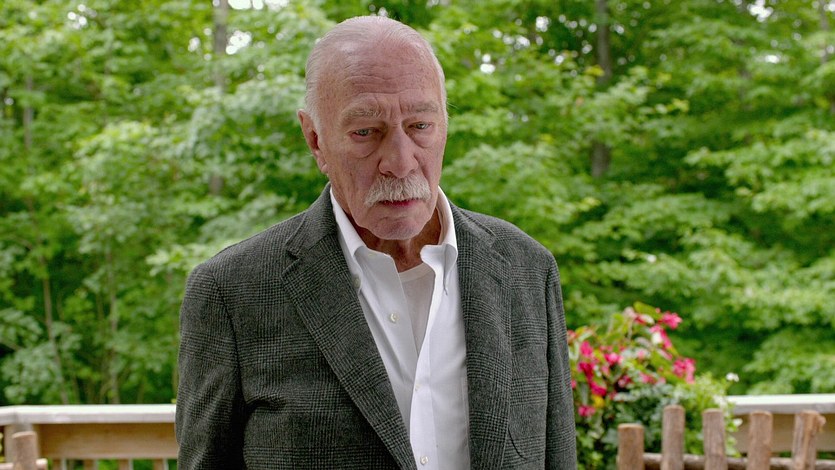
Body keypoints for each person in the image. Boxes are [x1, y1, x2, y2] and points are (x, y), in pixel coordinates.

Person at [175, 15, 577, 470]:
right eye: (366, 132)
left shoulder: (528, 269)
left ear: (445, 125)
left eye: (420, 126)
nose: (400, 162)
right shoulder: (232, 293)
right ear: (315, 140)